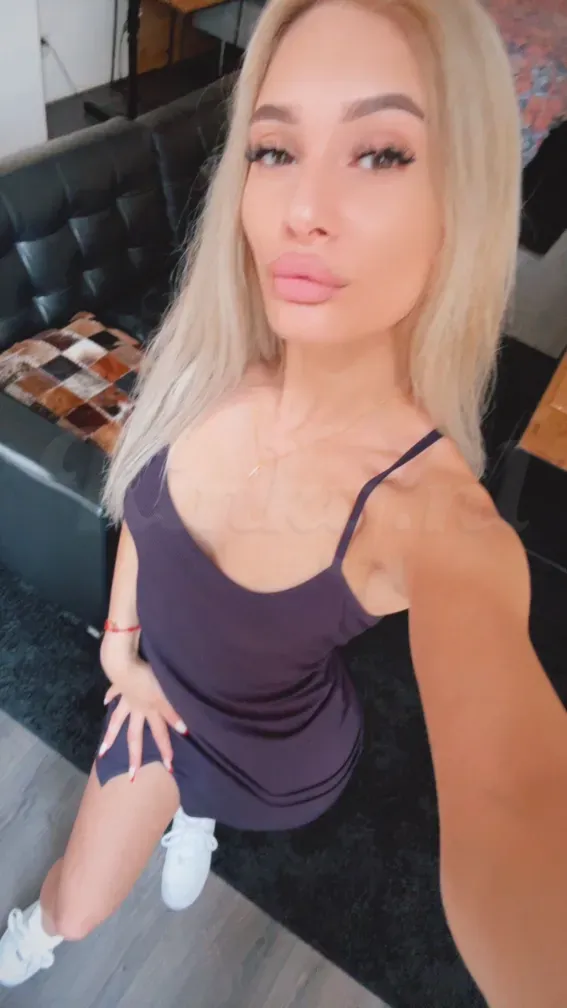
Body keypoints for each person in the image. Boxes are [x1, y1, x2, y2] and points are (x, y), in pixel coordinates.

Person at [2, 0, 567, 1003]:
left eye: (381, 153)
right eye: (274, 149)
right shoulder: (208, 353)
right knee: (77, 908)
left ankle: (199, 816)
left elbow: (518, 801)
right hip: (154, 703)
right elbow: (146, 516)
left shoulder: (435, 519)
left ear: (461, 201)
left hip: (276, 759)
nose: (303, 207)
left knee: (195, 815)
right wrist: (119, 648)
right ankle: (35, 934)